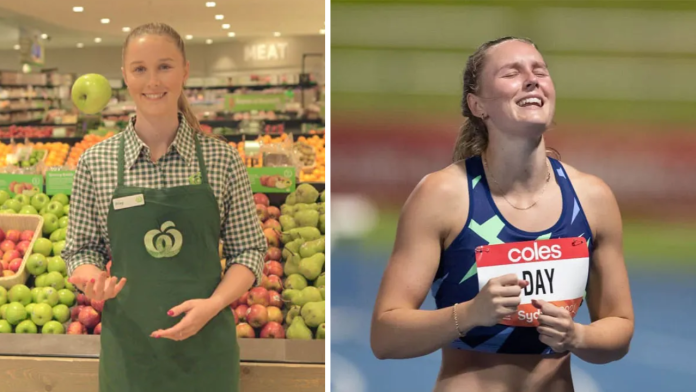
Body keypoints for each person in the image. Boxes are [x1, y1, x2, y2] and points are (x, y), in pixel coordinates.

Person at [370, 36, 635, 391]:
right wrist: (469, 314)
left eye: (540, 70)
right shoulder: (442, 196)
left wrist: (577, 335)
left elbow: (619, 328)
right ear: (478, 104)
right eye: (512, 72)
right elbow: (385, 338)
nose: (532, 79)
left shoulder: (592, 198)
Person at [62, 22, 267, 392]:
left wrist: (213, 304)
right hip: (130, 354)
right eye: (140, 68)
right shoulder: (96, 162)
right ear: (124, 75)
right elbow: (80, 248)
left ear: (185, 70)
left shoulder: (222, 159)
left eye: (165, 66)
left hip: (207, 353)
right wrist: (92, 279)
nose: (152, 81)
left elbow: (249, 250)